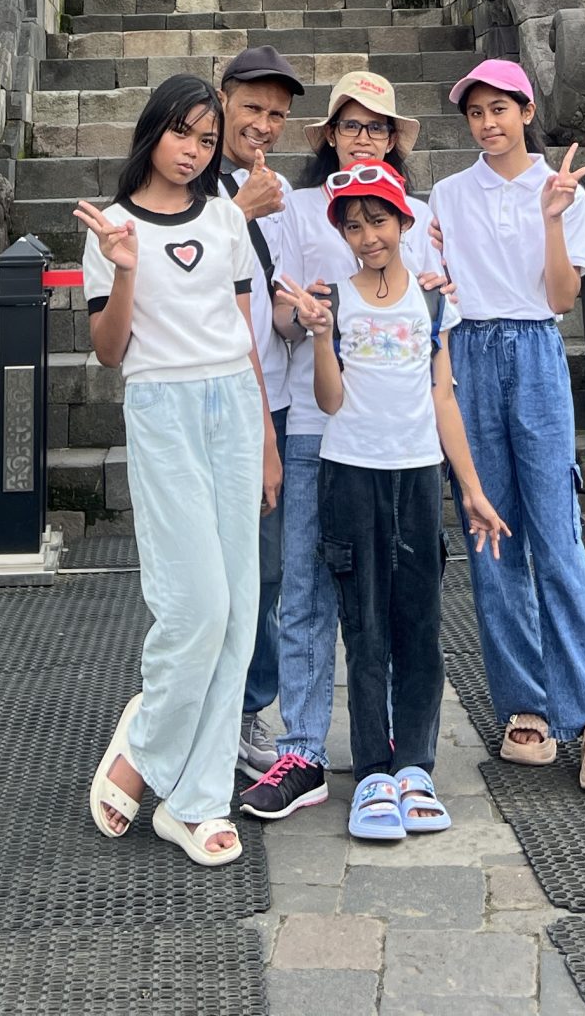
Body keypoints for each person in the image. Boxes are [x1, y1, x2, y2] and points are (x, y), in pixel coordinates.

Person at [79, 74, 284, 868]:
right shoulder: (110, 226)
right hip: (162, 410)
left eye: (207, 140)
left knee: (239, 609)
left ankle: (195, 802)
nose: (195, 151)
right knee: (194, 604)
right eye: (184, 135)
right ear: (153, 132)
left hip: (233, 407)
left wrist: (265, 438)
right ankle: (142, 749)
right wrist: (125, 267)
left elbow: (244, 331)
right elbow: (108, 351)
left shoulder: (228, 222)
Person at [277, 161, 507, 841]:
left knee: (420, 628)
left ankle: (416, 766)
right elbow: (329, 401)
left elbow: (444, 398)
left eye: (378, 220)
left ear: (404, 222)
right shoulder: (336, 300)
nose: (367, 235)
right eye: (353, 225)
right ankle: (372, 769)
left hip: (416, 476)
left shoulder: (435, 302)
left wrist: (471, 489)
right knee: (364, 626)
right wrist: (321, 336)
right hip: (350, 475)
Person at [429, 58, 585, 792]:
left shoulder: (560, 189)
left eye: (500, 109)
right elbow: (436, 281)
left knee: (556, 533)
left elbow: (559, 295)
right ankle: (525, 703)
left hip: (534, 349)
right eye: (476, 113)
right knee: (492, 538)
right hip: (470, 354)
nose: (488, 123)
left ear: (525, 112)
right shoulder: (448, 195)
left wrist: (553, 218)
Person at [236, 70, 442, 823]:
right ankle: (304, 747)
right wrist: (306, 317)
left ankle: (389, 753)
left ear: (394, 139)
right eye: (351, 125)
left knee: (394, 593)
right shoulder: (293, 208)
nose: (365, 136)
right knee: (305, 587)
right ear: (328, 135)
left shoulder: (417, 215)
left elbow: (435, 331)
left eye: (378, 126)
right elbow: (280, 316)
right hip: (314, 419)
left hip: (394, 434)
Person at [215, 46, 305, 780]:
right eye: (254, 108)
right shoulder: (195, 180)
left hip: (271, 394)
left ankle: (249, 708)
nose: (265, 125)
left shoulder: (271, 190)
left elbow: (263, 301)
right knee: (208, 571)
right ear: (222, 100)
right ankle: (200, 707)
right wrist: (239, 212)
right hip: (210, 400)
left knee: (267, 571)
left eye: (277, 115)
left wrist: (298, 314)